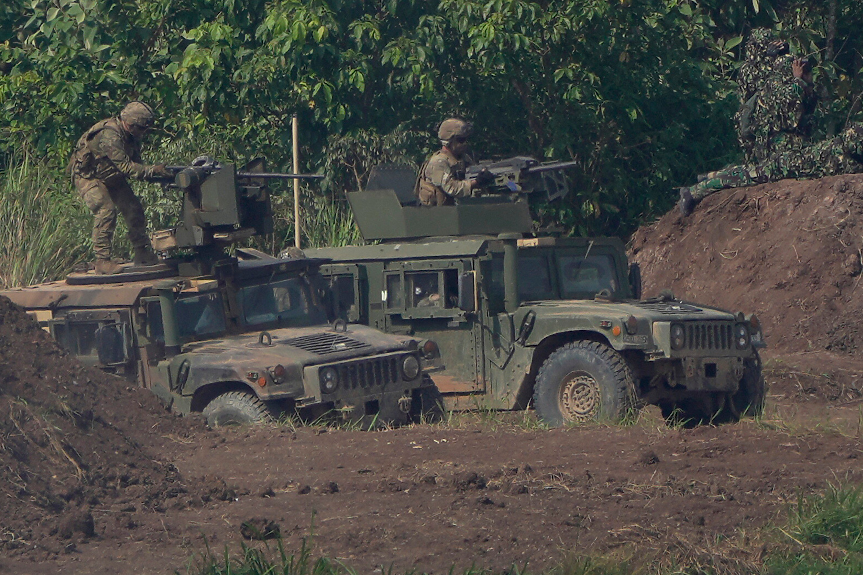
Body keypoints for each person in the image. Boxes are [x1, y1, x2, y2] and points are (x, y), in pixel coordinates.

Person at [68, 101, 172, 274]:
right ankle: (102, 261)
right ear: (130, 124)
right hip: (88, 176)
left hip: (110, 175)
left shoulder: (131, 137)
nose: (144, 133)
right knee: (106, 211)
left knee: (134, 209)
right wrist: (153, 170)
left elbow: (137, 164)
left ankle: (142, 252)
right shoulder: (110, 135)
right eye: (142, 128)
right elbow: (126, 167)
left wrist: (159, 174)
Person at [680, 122, 863, 214]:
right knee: (747, 176)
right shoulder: (848, 154)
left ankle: (709, 176)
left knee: (750, 170)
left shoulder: (846, 148)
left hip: (792, 160)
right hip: (789, 166)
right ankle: (695, 192)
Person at [415, 118, 494, 206]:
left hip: (458, 210)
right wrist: (476, 182)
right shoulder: (439, 162)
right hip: (439, 214)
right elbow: (451, 188)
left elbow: (472, 172)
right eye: (461, 140)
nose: (465, 143)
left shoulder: (463, 158)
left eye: (466, 139)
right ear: (448, 141)